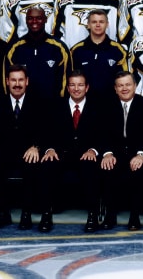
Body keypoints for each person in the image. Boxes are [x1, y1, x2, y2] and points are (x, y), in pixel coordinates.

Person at [0, 64, 58, 232]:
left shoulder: (39, 102)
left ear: (27, 81)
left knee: (32, 164)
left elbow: (47, 130)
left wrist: (37, 146)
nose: (17, 84)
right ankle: (1, 212)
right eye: (13, 80)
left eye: (21, 80)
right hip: (5, 150)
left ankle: (27, 213)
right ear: (7, 82)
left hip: (28, 150)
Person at [46, 70, 111, 233]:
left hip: (85, 154)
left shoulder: (98, 107)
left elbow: (104, 134)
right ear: (67, 88)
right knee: (47, 165)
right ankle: (46, 214)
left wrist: (93, 150)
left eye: (80, 85)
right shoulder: (55, 106)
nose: (76, 88)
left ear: (87, 87)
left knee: (90, 167)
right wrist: (50, 149)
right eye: (72, 85)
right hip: (62, 153)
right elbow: (47, 132)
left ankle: (92, 215)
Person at [99, 71, 143, 231]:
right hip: (115, 152)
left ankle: (134, 216)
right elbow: (101, 133)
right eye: (120, 85)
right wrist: (107, 153)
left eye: (128, 84)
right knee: (108, 168)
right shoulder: (106, 105)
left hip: (137, 152)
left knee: (137, 171)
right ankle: (110, 215)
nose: (124, 88)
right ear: (115, 88)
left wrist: (141, 155)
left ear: (135, 86)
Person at [3, 5, 71, 101]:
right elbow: (7, 81)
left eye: (39, 18)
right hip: (23, 109)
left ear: (45, 20)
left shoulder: (59, 48)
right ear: (26, 21)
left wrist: (60, 106)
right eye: (30, 18)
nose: (34, 22)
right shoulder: (15, 48)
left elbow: (65, 81)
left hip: (52, 108)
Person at [70, 9, 128, 102]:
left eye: (101, 22)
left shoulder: (118, 50)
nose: (98, 25)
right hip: (84, 104)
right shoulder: (77, 50)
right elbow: (72, 80)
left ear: (107, 24)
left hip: (111, 102)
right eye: (94, 22)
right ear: (88, 25)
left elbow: (124, 79)